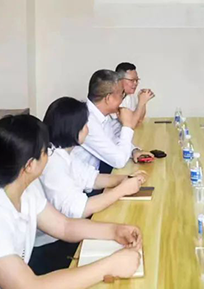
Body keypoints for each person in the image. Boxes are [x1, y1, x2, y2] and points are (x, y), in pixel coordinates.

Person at [0, 114, 142, 289]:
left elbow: (64, 226)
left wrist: (114, 230)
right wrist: (110, 265)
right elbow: (30, 287)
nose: (50, 155)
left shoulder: (21, 188)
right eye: (47, 151)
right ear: (29, 165)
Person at [31, 97, 149, 274]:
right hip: (51, 245)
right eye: (85, 125)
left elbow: (92, 178)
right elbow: (79, 210)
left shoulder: (63, 153)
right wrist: (122, 190)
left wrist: (126, 179)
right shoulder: (53, 163)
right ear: (74, 129)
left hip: (65, 232)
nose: (88, 129)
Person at [73, 70, 154, 173]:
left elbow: (113, 141)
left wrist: (134, 151)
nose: (122, 99)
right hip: (81, 181)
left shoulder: (99, 114)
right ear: (108, 98)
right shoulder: (87, 122)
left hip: (94, 175)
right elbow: (119, 161)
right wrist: (127, 125)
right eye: (121, 94)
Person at [115, 62, 155, 128]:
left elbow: (139, 120)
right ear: (119, 80)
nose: (135, 83)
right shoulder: (115, 98)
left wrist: (143, 101)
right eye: (132, 80)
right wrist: (141, 103)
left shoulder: (129, 96)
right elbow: (130, 125)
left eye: (137, 80)